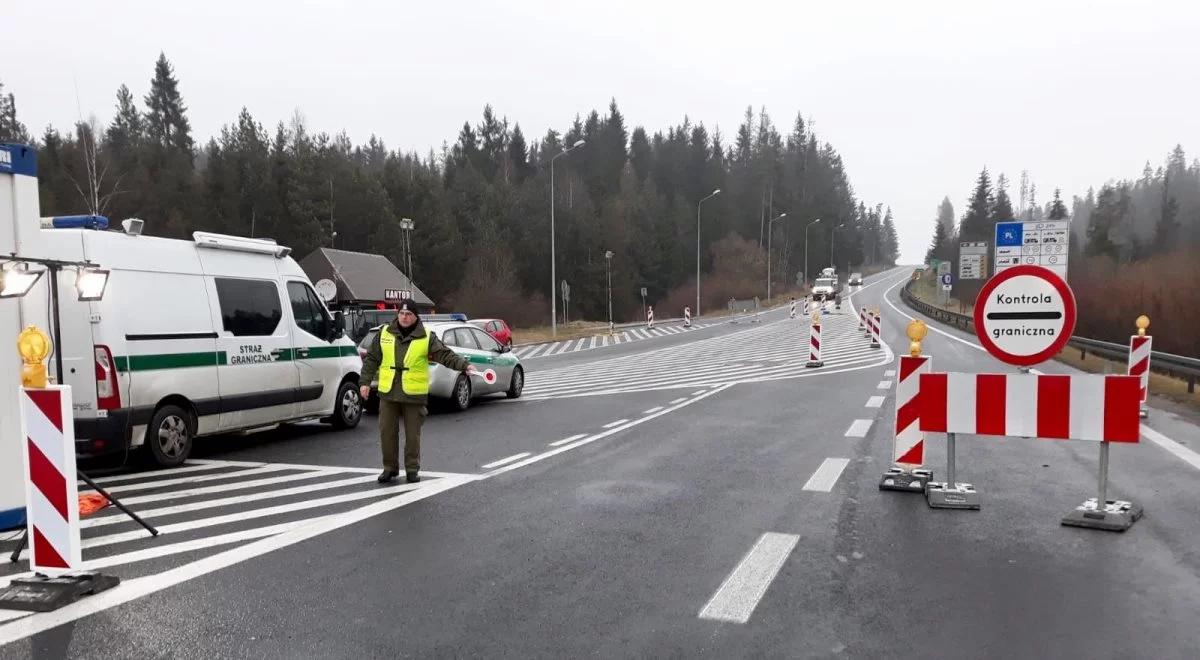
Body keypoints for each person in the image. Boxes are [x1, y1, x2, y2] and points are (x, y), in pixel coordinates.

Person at [359, 299, 475, 484]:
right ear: (398, 315)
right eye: (402, 314)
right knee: (386, 433)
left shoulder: (426, 336)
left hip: (413, 394)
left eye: (409, 314)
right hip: (388, 392)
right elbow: (372, 358)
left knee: (412, 436)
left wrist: (464, 365)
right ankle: (390, 468)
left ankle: (412, 469)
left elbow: (444, 354)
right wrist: (365, 382)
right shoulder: (384, 333)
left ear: (415, 316)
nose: (404, 317)